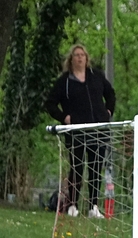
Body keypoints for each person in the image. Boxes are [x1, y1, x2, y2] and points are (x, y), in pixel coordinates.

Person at [44, 44, 116, 219]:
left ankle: (93, 206)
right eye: (76, 55)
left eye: (82, 55)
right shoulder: (65, 81)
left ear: (86, 58)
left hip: (98, 130)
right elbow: (50, 103)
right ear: (71, 59)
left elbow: (110, 94)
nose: (79, 58)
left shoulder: (96, 76)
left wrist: (107, 112)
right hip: (76, 131)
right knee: (76, 167)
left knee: (95, 167)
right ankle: (73, 205)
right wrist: (64, 117)